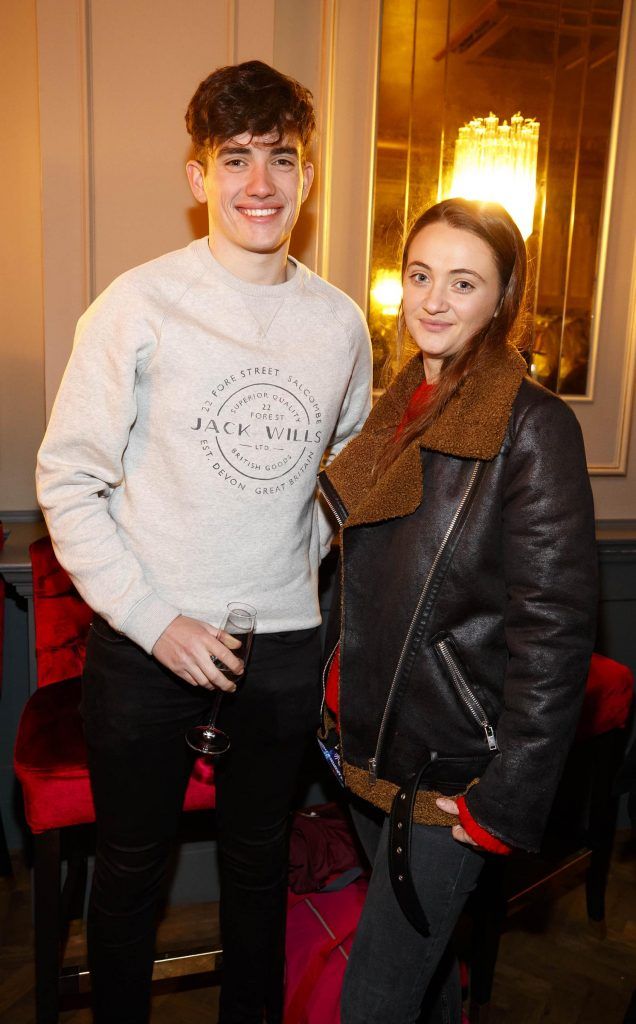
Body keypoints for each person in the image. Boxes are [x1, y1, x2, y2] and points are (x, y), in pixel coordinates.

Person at [36, 60, 372, 1024]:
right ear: (198, 176)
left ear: (309, 176)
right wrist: (156, 620)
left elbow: (341, 474)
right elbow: (67, 478)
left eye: (282, 158)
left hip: (282, 649)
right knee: (132, 874)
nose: (258, 183)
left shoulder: (342, 322)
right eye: (235, 158)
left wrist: (292, 569)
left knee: (259, 872)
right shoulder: (136, 306)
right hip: (145, 648)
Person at [318, 198, 598, 1024]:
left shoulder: (533, 427)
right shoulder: (397, 405)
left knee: (372, 1005)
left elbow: (555, 629)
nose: (432, 301)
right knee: (426, 986)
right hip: (366, 752)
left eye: (463, 282)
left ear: (502, 298)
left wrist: (502, 796)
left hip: (447, 781)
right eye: (419, 275)